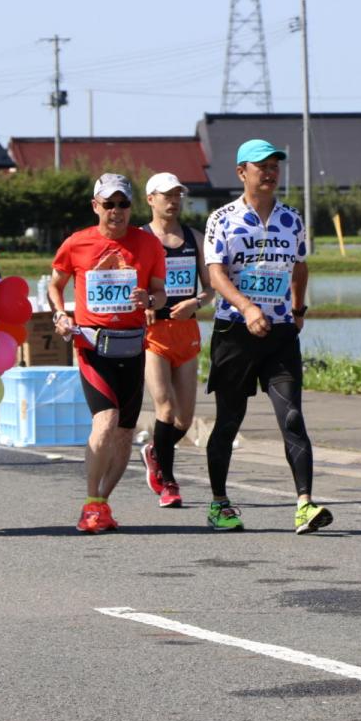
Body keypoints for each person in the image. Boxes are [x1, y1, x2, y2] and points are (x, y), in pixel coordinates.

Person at [203, 139, 332, 535]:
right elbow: (216, 274)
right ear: (242, 172)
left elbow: (300, 265)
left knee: (292, 416)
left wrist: (298, 310)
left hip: (279, 333)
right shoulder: (222, 219)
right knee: (229, 421)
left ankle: (304, 504)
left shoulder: (291, 219)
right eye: (263, 166)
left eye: (275, 166)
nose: (271, 172)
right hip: (234, 332)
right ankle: (219, 504)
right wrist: (246, 307)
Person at [49, 173, 166, 533]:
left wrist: (149, 299)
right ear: (95, 206)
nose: (116, 210)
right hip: (93, 347)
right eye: (109, 204)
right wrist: (60, 314)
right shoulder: (77, 243)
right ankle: (90, 502)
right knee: (106, 420)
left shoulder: (148, 244)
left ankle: (101, 502)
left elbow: (160, 294)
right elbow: (55, 284)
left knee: (125, 433)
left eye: (123, 203)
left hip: (132, 347)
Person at [138, 172, 214, 508]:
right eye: (166, 195)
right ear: (150, 199)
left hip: (186, 332)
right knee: (165, 409)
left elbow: (211, 288)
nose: (173, 201)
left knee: (184, 419)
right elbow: (127, 281)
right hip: (154, 333)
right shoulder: (140, 239)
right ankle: (168, 483)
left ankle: (155, 451)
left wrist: (196, 302)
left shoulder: (194, 238)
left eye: (177, 195)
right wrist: (143, 304)